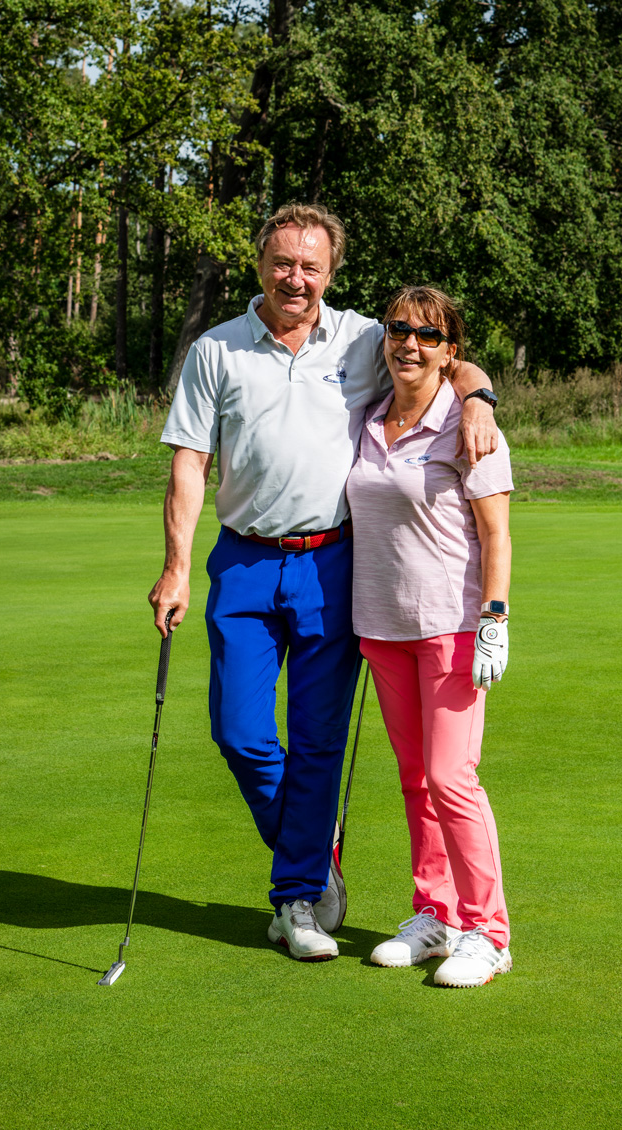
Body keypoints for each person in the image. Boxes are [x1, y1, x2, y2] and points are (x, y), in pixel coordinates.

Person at [148, 205, 499, 963]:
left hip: (332, 564)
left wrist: (478, 398)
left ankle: (297, 898)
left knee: (316, 741)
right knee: (240, 734)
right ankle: (313, 840)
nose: (295, 279)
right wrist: (176, 566)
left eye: (311, 267)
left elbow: (450, 357)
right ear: (260, 266)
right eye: (282, 263)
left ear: (330, 273)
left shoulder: (363, 338)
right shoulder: (215, 349)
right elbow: (189, 462)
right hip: (242, 560)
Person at [346, 285, 513, 988]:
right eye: (398, 330)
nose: (409, 344)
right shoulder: (365, 416)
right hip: (381, 626)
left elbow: (497, 533)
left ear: (451, 352)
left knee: (451, 779)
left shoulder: (469, 425)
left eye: (428, 335)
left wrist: (494, 618)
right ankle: (434, 914)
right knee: (415, 781)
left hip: (450, 626)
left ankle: (488, 932)